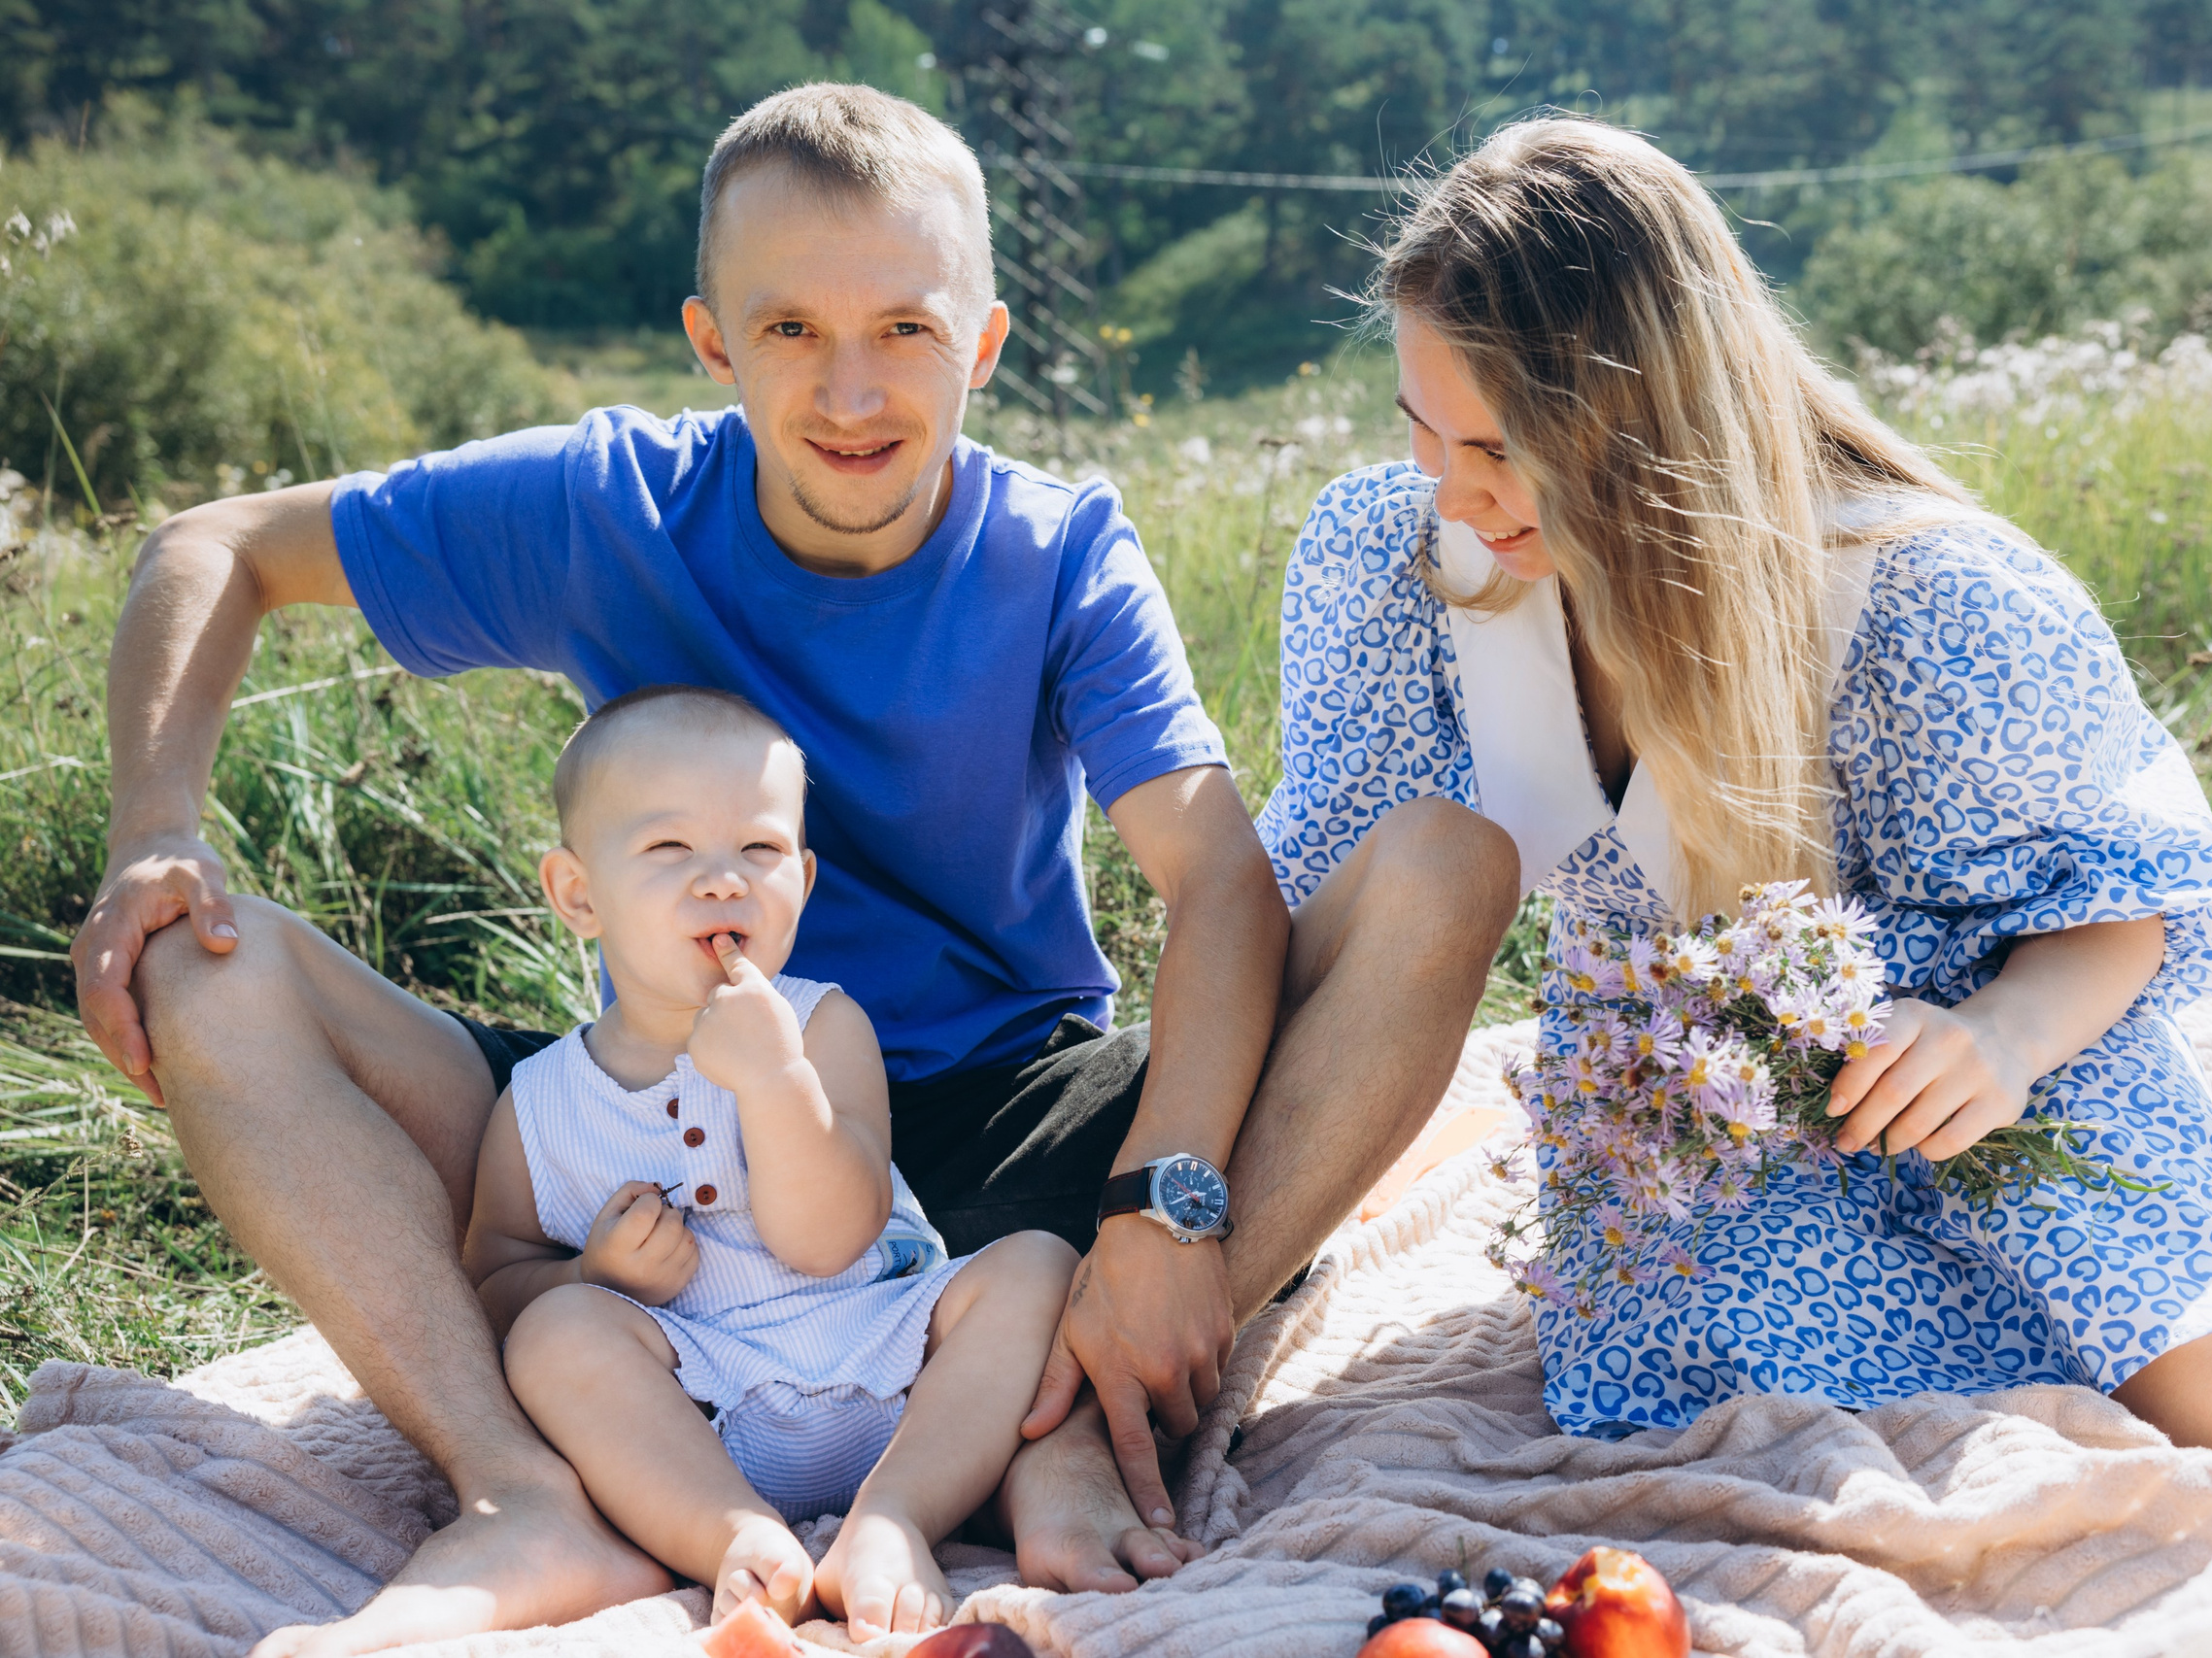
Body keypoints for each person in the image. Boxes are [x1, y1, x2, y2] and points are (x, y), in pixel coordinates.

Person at [72, 84, 1518, 1655]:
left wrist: (1160, 1213)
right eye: (790, 330)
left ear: (983, 342)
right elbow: (213, 547)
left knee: (1445, 866)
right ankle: (519, 1489)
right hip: (657, 1129)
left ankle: (1090, 1404)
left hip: (1001, 1127)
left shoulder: (1060, 550)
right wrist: (155, 832)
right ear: (713, 341)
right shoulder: (604, 505)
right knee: (197, 957)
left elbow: (1221, 884)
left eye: (905, 327)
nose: (850, 390)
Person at [1254, 115, 2212, 1447]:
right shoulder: (1406, 565)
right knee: (1734, 1408)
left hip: (1988, 1074)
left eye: (1498, 449)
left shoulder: (1929, 599)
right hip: (1709, 1117)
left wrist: (2000, 1038)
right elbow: (1313, 895)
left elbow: (2117, 901)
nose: (1450, 490)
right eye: (1422, 431)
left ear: (1643, 425)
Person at [469, 685, 1072, 1638]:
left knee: (1037, 1266)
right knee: (556, 1336)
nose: (722, 881)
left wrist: (775, 1079)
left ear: (803, 877)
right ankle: (737, 1537)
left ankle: (894, 1517)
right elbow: (494, 1284)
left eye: (759, 849)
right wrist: (591, 1276)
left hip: (894, 1359)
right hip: (700, 1406)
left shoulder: (822, 1025)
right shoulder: (542, 1101)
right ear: (578, 893)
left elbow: (831, 1240)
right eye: (670, 847)